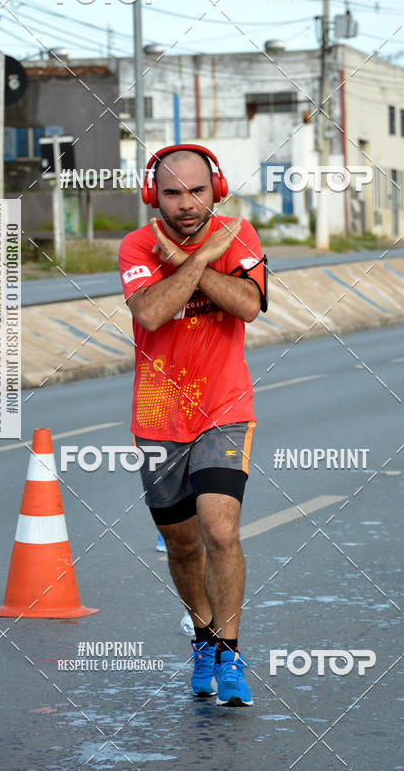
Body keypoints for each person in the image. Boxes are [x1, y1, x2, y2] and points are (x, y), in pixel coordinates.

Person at [118, 144, 267, 707]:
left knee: (220, 530)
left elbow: (248, 306)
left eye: (197, 191)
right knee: (181, 546)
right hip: (158, 413)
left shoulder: (241, 234)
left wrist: (187, 264)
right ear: (153, 196)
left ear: (217, 189)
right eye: (173, 193)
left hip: (225, 408)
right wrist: (202, 261)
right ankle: (202, 639)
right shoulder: (135, 245)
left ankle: (229, 653)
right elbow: (151, 313)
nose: (186, 204)